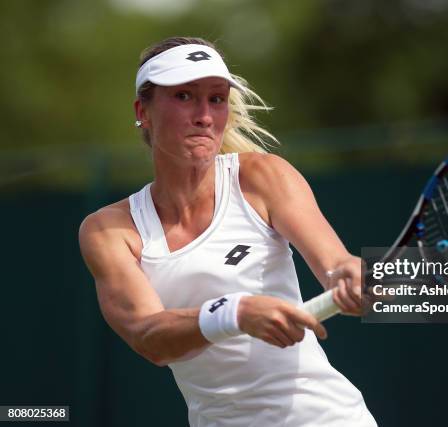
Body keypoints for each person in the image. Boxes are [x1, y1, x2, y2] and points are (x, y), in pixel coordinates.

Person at [78, 36, 377, 426]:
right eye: (184, 96)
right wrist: (235, 312)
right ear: (143, 111)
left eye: (217, 99)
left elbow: (337, 265)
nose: (204, 115)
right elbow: (149, 337)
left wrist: (353, 275)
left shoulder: (263, 175)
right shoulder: (108, 230)